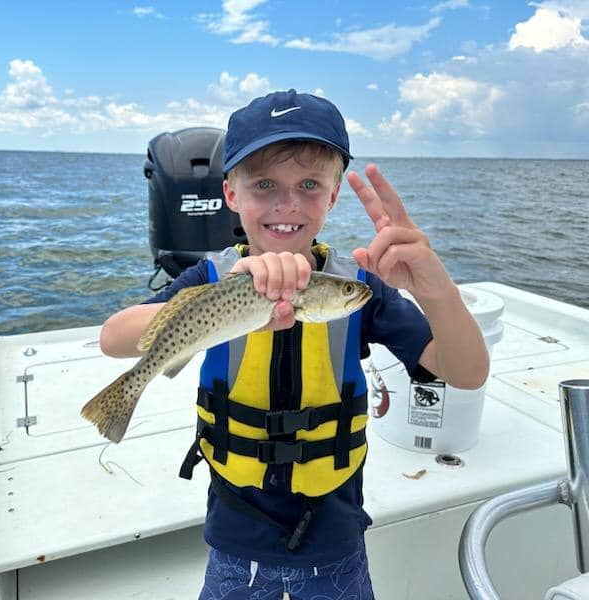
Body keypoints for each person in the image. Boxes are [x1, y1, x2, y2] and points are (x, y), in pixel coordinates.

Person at [99, 89, 489, 599]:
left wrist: (437, 291)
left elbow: (464, 372)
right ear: (231, 194)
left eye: (309, 185)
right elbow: (112, 338)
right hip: (235, 537)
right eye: (265, 184)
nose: (288, 205)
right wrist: (227, 295)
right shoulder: (212, 278)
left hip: (335, 536)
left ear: (332, 196)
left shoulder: (359, 291)